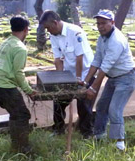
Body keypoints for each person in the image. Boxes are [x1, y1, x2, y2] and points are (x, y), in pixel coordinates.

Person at [83, 10, 135, 151]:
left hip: (126, 78)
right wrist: (85, 81)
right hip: (113, 78)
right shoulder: (102, 38)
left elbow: (105, 67)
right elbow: (97, 60)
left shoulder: (116, 41)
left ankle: (119, 143)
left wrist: (93, 88)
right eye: (98, 23)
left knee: (114, 109)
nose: (101, 26)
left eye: (104, 23)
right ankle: (99, 136)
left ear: (112, 23)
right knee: (101, 106)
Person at [39, 10, 95, 138]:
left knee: (83, 105)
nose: (48, 31)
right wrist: (60, 80)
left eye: (48, 27)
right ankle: (58, 129)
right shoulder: (54, 35)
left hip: (86, 73)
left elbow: (79, 58)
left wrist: (79, 80)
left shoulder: (75, 32)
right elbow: (58, 59)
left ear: (55, 22)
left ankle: (87, 133)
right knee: (58, 101)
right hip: (69, 74)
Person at [0, 15, 37, 154]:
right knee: (22, 115)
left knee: (16, 113)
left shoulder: (7, 41)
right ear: (26, 30)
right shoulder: (20, 48)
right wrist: (29, 90)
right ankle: (22, 149)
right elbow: (18, 73)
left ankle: (16, 146)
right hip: (3, 86)